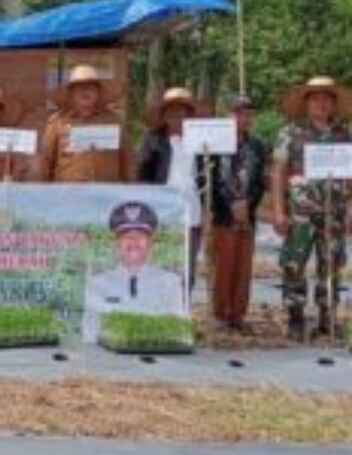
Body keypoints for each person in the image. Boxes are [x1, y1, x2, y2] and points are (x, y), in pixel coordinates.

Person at [272, 76, 352, 341]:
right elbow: (278, 172)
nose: (321, 103)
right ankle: (295, 318)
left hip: (335, 212)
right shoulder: (290, 132)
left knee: (331, 264)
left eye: (326, 99)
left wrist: (350, 208)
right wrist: (279, 211)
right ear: (306, 103)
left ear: (333, 103)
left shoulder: (344, 134)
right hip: (300, 212)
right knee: (294, 263)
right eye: (315, 98)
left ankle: (327, 319)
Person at [83, 201, 186, 343]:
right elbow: (90, 334)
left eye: (140, 236)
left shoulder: (170, 282)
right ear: (116, 244)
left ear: (150, 243)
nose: (134, 242)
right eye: (127, 237)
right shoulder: (97, 284)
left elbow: (178, 333)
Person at [138, 86, 205, 293]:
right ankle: (160, 311)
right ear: (164, 115)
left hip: (192, 211)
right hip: (162, 211)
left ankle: (183, 310)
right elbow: (142, 174)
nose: (176, 116)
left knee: (188, 264)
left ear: (189, 115)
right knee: (160, 262)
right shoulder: (153, 139)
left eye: (182, 112)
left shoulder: (203, 141)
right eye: (171, 112)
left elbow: (211, 175)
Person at [210, 95, 267, 333]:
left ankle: (238, 314)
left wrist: (249, 204)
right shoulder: (213, 144)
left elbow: (260, 181)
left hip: (248, 214)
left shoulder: (257, 145)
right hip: (223, 214)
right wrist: (228, 206)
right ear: (228, 115)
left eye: (248, 114)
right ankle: (221, 314)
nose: (244, 118)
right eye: (238, 113)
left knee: (244, 267)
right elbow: (209, 179)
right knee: (223, 265)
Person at [39, 64, 132, 183]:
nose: (85, 92)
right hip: (67, 196)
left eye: (90, 87)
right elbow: (45, 163)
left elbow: (127, 160)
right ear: (71, 94)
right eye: (79, 88)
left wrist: (131, 191)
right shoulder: (57, 123)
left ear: (98, 92)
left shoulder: (114, 121)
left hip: (107, 196)